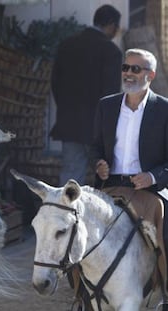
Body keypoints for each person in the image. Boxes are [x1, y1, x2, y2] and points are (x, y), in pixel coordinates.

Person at [92, 48, 168, 308]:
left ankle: (166, 295)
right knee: (75, 227)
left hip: (150, 191)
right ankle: (82, 294)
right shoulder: (107, 105)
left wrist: (152, 176)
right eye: (125, 67)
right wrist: (99, 165)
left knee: (166, 233)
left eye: (136, 69)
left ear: (151, 75)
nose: (128, 73)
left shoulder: (165, 109)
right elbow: (94, 148)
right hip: (110, 186)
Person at [50, 4, 122, 186]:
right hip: (97, 128)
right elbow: (111, 95)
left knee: (71, 175)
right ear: (112, 25)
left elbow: (55, 84)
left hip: (70, 123)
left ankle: (66, 213)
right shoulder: (111, 51)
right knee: (105, 176)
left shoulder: (67, 45)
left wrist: (67, 109)